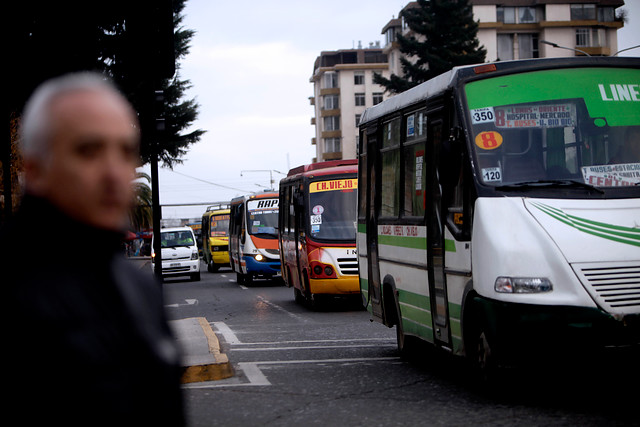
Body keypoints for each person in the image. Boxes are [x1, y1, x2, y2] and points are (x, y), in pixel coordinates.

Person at [1, 73, 185, 425]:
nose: (114, 173)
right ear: (35, 169)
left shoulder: (138, 286)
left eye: (125, 151)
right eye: (89, 150)